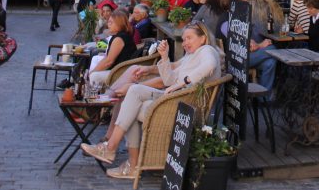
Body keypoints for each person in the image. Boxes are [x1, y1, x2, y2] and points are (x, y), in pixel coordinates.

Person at [81, 23, 222, 178]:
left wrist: (183, 82)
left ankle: (118, 154)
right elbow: (169, 79)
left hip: (185, 106)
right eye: (183, 39)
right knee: (133, 100)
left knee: (133, 98)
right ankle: (121, 157)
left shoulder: (208, 51)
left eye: (189, 38)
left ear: (203, 38)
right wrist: (164, 57)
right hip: (176, 100)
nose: (186, 43)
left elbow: (210, 65)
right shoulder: (191, 55)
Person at [88, 9, 137, 86]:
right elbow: (107, 58)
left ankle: (92, 96)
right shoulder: (120, 36)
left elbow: (109, 61)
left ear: (120, 24)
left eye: (111, 22)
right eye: (108, 22)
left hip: (121, 73)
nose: (108, 25)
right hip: (119, 70)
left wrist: (92, 72)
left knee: (94, 76)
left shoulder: (119, 38)